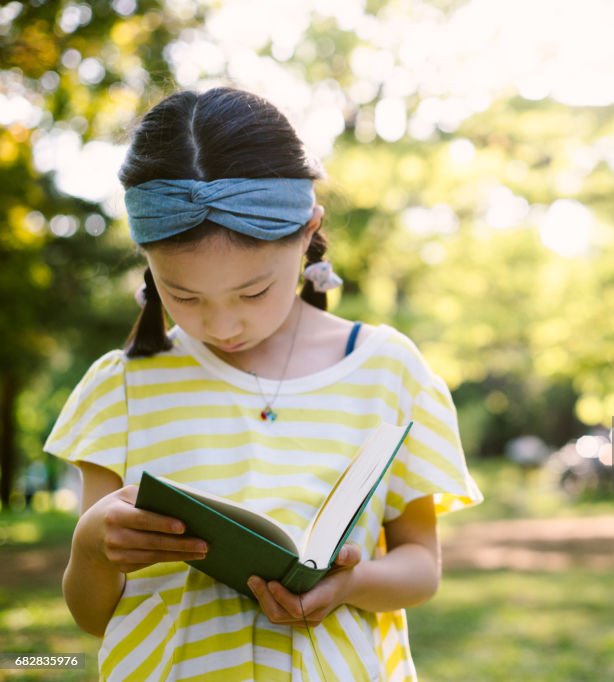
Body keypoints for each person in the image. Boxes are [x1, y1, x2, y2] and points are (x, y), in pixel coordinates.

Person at [43, 86, 483, 681]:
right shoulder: (121, 387)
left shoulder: (389, 371)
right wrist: (90, 548)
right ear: (147, 260)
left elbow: (420, 569)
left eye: (253, 292)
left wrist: (352, 582)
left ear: (308, 234)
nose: (222, 325)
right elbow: (94, 616)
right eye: (184, 296)